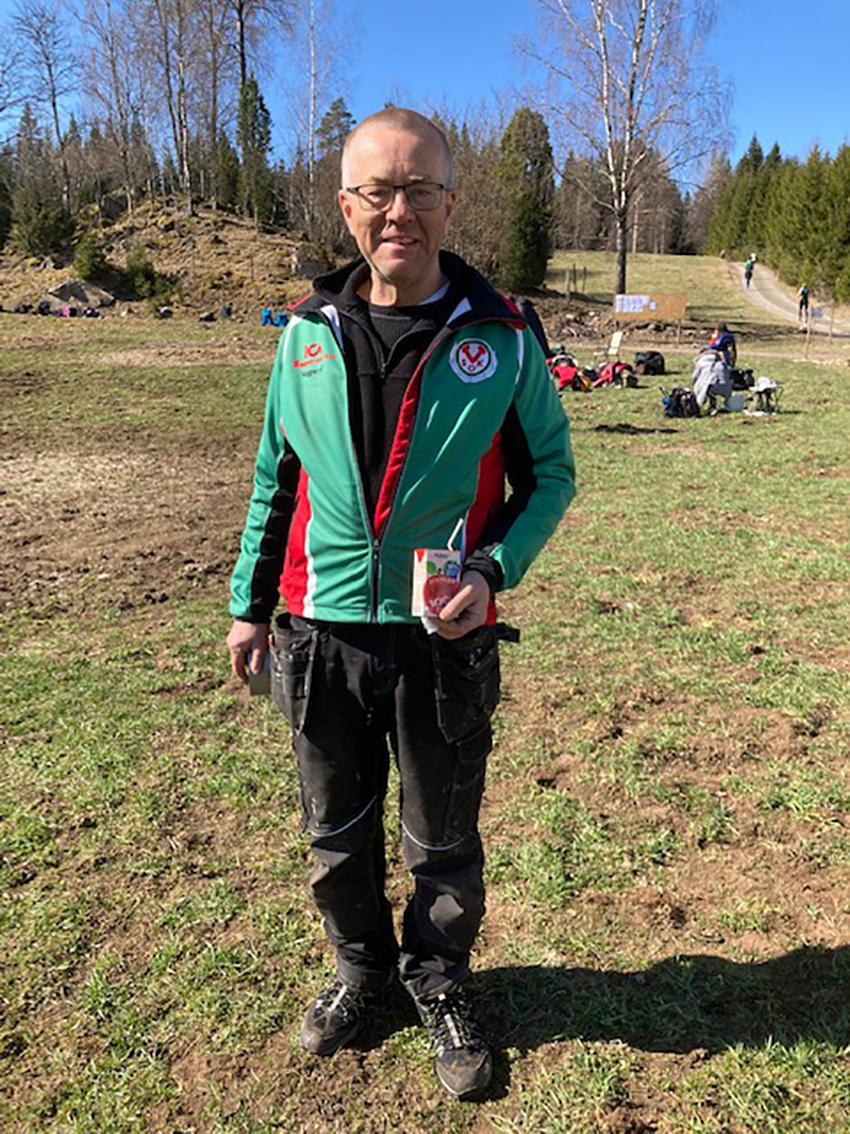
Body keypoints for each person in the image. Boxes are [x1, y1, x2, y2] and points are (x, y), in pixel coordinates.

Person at [226, 107, 576, 1101]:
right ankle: (360, 969)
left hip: (442, 642)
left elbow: (550, 475)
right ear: (346, 207)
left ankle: (438, 980)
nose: (400, 212)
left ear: (449, 203)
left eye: (420, 190)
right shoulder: (304, 336)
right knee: (335, 835)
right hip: (318, 636)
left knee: (442, 840)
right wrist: (250, 606)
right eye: (378, 191)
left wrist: (491, 571)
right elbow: (274, 480)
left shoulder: (501, 338)